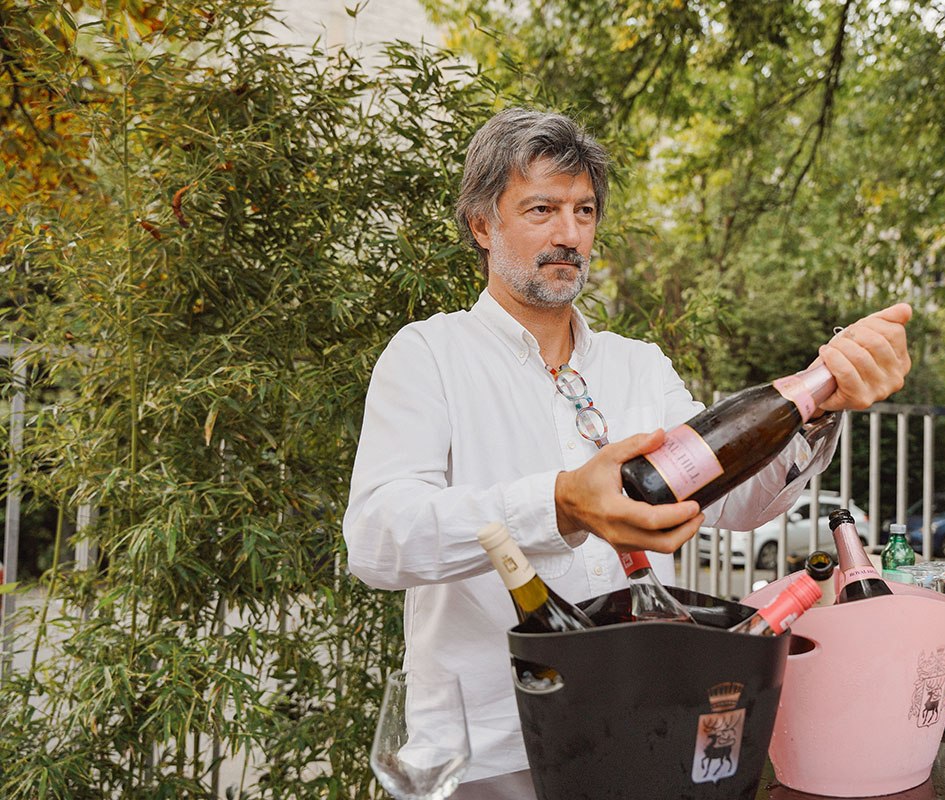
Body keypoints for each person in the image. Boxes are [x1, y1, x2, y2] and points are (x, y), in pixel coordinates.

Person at [342, 108, 912, 781]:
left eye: (584, 212)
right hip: (481, 758)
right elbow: (378, 540)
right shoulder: (428, 356)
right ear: (481, 224)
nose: (569, 234)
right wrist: (560, 505)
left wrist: (818, 408)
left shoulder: (638, 365)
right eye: (542, 209)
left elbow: (732, 502)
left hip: (641, 738)